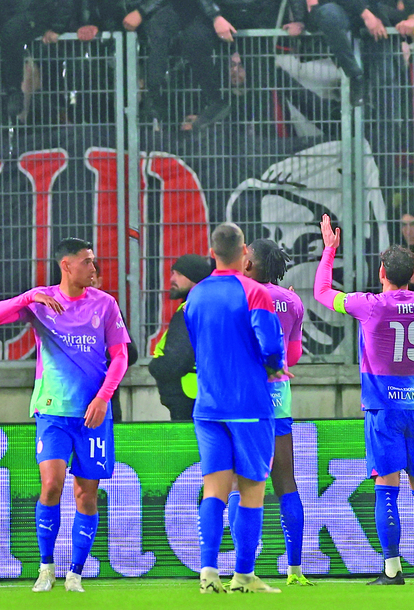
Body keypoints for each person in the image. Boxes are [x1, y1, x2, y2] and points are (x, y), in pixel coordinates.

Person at [0, 238, 131, 593]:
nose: (94, 268)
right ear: (67, 265)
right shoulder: (42, 302)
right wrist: (28, 297)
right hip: (52, 411)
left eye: (93, 261)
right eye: (87, 262)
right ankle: (46, 568)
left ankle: (75, 573)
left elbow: (121, 357)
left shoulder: (105, 304)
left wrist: (103, 398)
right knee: (51, 485)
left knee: (86, 495)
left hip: (93, 414)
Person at [314, 212, 414, 584]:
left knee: (387, 489)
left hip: (384, 409)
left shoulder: (370, 304)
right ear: (412, 275)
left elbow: (322, 292)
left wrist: (329, 249)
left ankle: (392, 569)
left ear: (382, 273)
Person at [183, 223, 285, 593]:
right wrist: (274, 367)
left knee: (214, 489)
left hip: (209, 405)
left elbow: (195, 341)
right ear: (244, 252)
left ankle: (208, 574)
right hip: (249, 404)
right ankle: (243, 576)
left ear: (213, 253)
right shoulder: (255, 291)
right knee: (252, 490)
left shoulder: (196, 295)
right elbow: (270, 345)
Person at [241, 239, 311, 585]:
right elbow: (292, 357)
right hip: (278, 398)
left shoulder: (239, 295)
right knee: (286, 483)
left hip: (242, 397)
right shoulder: (291, 301)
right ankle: (295, 570)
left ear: (250, 264)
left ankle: (243, 569)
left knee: (241, 484)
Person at [148, 254, 213, 420]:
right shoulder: (207, 306)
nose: (172, 279)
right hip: (203, 393)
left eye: (179, 274)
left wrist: (155, 367)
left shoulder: (189, 310)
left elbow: (177, 358)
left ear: (194, 278)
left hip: (189, 394)